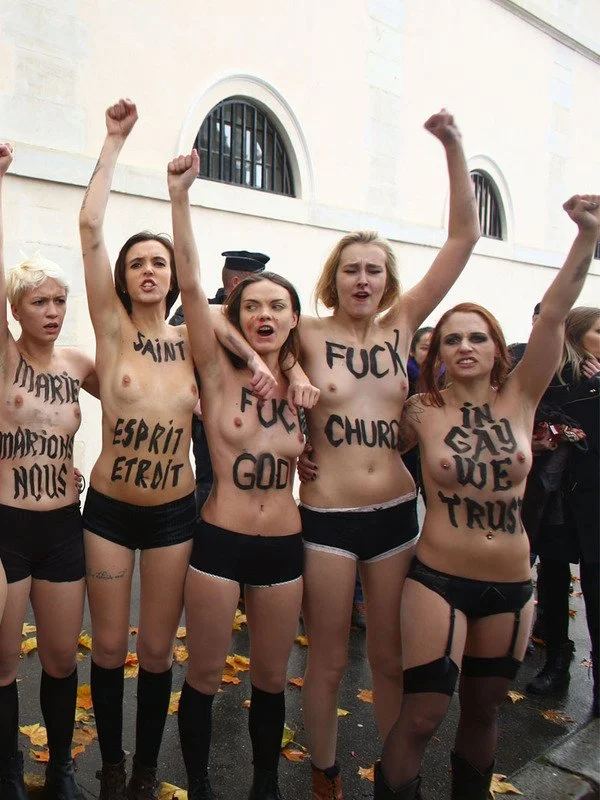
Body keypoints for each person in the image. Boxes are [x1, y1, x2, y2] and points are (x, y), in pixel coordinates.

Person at [78, 100, 275, 800]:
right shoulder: (110, 326)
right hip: (106, 510)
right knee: (106, 648)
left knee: (157, 651)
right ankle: (107, 763)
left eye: (159, 262)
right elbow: (92, 226)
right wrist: (114, 140)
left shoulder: (196, 335)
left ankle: (143, 768)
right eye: (140, 263)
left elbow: (231, 303)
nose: (151, 271)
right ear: (125, 277)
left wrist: (179, 198)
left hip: (171, 516)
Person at [375, 195, 600, 800]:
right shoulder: (420, 410)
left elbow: (554, 316)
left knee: (484, 714)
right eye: (451, 340)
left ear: (497, 347)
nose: (465, 347)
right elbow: (361, 441)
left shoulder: (521, 398)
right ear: (438, 355)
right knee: (422, 716)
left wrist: (587, 238)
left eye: (477, 337)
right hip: (437, 582)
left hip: (511, 586)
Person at [294, 109, 480, 799]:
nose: (363, 279)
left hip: (398, 512)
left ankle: (395, 780)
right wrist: (289, 423)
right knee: (330, 661)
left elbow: (463, 239)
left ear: (388, 280)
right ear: (332, 278)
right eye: (351, 270)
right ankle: (325, 770)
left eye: (374, 270)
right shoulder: (305, 331)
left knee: (392, 657)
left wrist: (454, 147)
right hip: (328, 517)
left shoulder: (403, 326)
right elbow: (232, 353)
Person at [166, 149, 318, 800]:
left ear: (291, 317)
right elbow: (192, 280)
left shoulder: (307, 385)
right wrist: (180, 198)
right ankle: (199, 783)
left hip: (285, 545)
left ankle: (264, 785)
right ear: (236, 309)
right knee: (202, 675)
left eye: (277, 306)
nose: (265, 313)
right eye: (252, 303)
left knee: (271, 678)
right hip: (220, 538)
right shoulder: (217, 366)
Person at [0, 142, 98, 800]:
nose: (54, 310)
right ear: (17, 309)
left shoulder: (79, 363)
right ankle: (8, 771)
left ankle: (59, 764)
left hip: (64, 527)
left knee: (63, 658)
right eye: (40, 301)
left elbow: (143, 402)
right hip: (7, 527)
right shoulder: (5, 361)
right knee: (4, 663)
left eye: (60, 300)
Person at [526, 306, 599, 716]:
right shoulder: (550, 379)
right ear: (575, 336)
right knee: (552, 583)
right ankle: (557, 662)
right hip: (553, 498)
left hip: (593, 499)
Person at [170, 250, 270, 511]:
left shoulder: (259, 314)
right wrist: (194, 404)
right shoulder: (193, 311)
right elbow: (169, 359)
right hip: (209, 419)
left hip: (255, 413)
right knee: (211, 482)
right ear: (236, 284)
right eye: (255, 282)